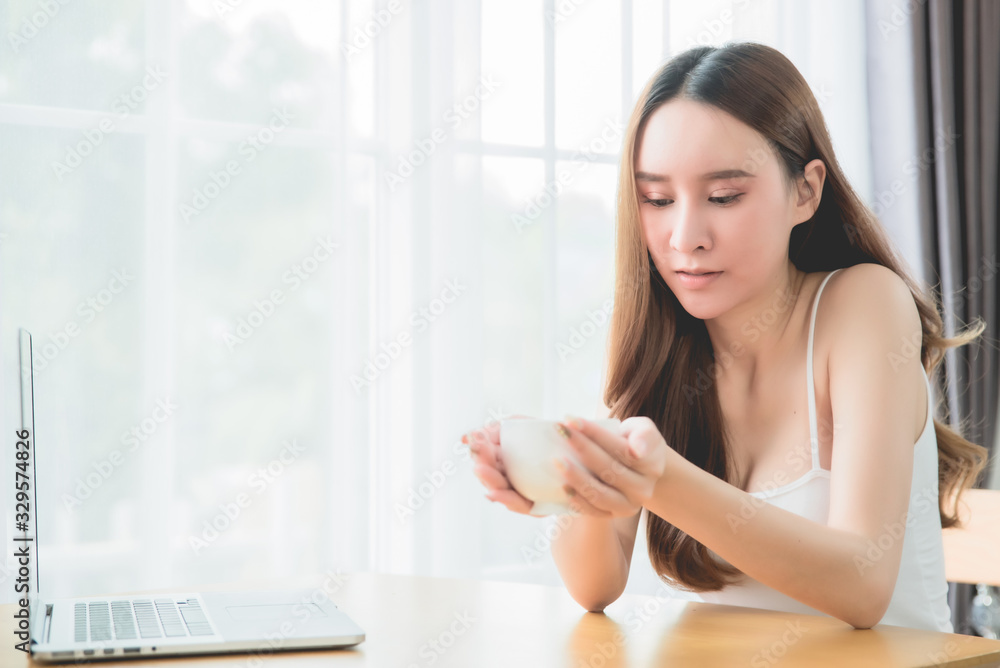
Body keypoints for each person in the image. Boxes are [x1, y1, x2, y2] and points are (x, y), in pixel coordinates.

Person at [464, 42, 988, 632]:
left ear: (806, 191)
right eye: (657, 199)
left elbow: (862, 584)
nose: (684, 236)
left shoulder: (863, 304)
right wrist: (576, 480)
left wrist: (658, 477)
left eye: (723, 197)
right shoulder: (668, 348)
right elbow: (594, 586)